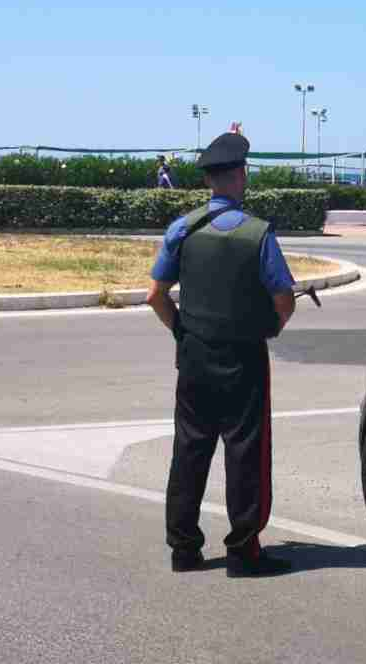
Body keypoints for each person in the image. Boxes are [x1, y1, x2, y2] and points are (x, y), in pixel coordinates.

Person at [145, 124, 297, 578]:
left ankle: (184, 549)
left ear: (210, 179)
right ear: (240, 176)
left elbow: (155, 294)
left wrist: (182, 332)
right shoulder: (258, 234)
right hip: (244, 359)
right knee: (245, 451)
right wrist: (270, 326)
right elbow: (283, 299)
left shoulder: (182, 229)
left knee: (189, 449)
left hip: (193, 357)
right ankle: (243, 550)